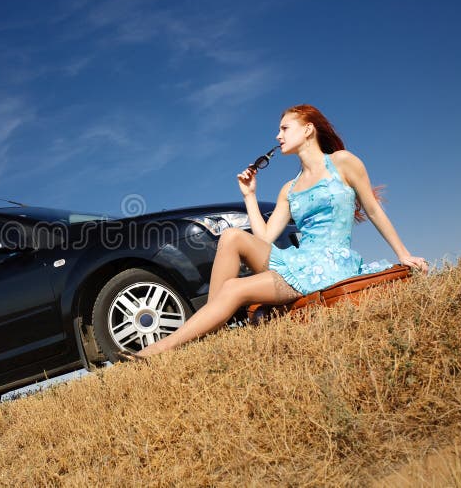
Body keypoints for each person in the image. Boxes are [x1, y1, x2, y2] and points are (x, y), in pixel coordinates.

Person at [126, 104, 428, 360]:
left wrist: (403, 254)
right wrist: (249, 196)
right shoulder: (290, 188)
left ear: (308, 129)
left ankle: (159, 350)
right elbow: (266, 238)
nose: (278, 135)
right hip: (298, 261)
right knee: (231, 236)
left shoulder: (342, 163)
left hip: (329, 265)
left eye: (284, 128)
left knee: (234, 289)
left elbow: (373, 209)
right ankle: (211, 327)